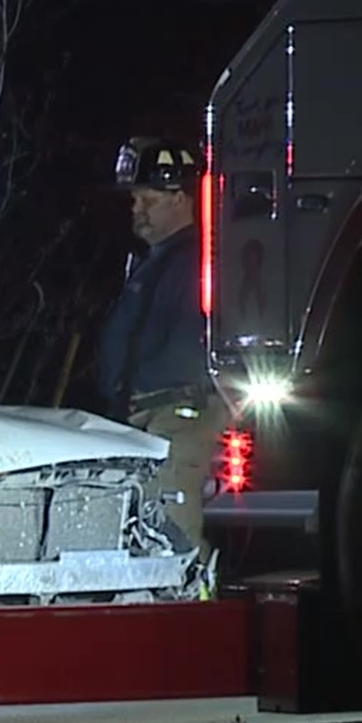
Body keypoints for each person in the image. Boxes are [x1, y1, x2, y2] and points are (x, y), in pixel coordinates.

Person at [96, 136, 223, 561]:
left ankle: (197, 614)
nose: (135, 208)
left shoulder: (199, 262)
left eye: (146, 198)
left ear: (179, 198)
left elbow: (190, 346)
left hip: (177, 414)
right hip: (144, 414)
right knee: (144, 529)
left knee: (171, 529)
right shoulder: (154, 261)